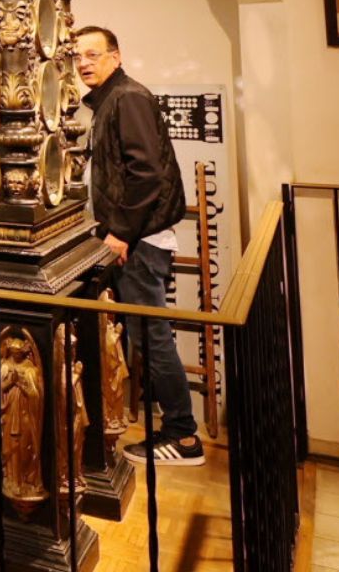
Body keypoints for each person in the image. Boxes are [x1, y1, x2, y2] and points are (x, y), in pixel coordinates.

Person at [71, 24, 202, 467]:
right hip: (133, 236)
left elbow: (147, 174)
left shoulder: (127, 98)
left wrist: (122, 232)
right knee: (145, 335)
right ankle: (177, 430)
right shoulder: (110, 100)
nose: (84, 63)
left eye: (93, 54)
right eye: (77, 57)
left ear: (116, 56)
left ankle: (183, 436)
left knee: (152, 335)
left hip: (139, 240)